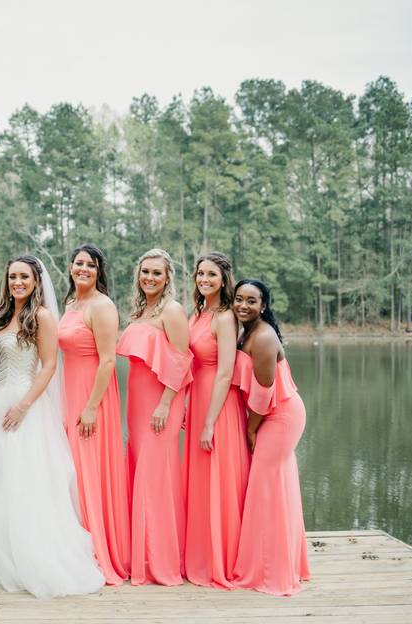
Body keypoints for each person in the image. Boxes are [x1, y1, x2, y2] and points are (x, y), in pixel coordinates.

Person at [0, 255, 105, 598]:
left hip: (24, 403)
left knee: (25, 479)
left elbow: (48, 366)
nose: (17, 282)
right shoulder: (0, 316)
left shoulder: (42, 317)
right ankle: (3, 557)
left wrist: (24, 405)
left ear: (35, 281)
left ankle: (34, 557)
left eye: (24, 277)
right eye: (12, 276)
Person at [116, 249, 191, 586]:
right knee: (140, 474)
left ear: (167, 278)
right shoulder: (142, 311)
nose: (149, 278)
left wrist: (164, 404)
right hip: (138, 401)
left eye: (156, 273)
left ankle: (159, 560)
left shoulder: (173, 311)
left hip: (162, 404)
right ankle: (139, 555)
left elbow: (182, 360)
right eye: (145, 271)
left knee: (155, 478)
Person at [230, 279, 310, 595]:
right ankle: (287, 562)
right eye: (238, 299)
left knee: (265, 488)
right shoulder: (247, 331)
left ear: (263, 306)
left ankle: (269, 572)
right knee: (278, 487)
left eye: (251, 301)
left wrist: (250, 428)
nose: (243, 306)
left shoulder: (263, 337)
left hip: (280, 416)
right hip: (271, 413)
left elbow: (264, 392)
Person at [57, 243, 130, 585]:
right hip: (68, 390)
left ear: (99, 271)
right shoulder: (71, 303)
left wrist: (90, 408)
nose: (82, 269)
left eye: (90, 264)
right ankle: (72, 545)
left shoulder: (102, 306)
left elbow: (108, 360)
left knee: (88, 472)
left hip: (92, 395)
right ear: (70, 267)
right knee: (70, 471)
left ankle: (98, 550)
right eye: (78, 263)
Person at [183, 251, 250, 589]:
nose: (204, 280)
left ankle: (220, 559)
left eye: (211, 274)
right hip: (198, 400)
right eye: (200, 274)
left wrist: (210, 421)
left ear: (224, 279)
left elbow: (225, 372)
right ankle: (199, 555)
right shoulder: (199, 313)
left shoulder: (224, 317)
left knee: (218, 478)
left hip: (218, 405)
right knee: (199, 481)